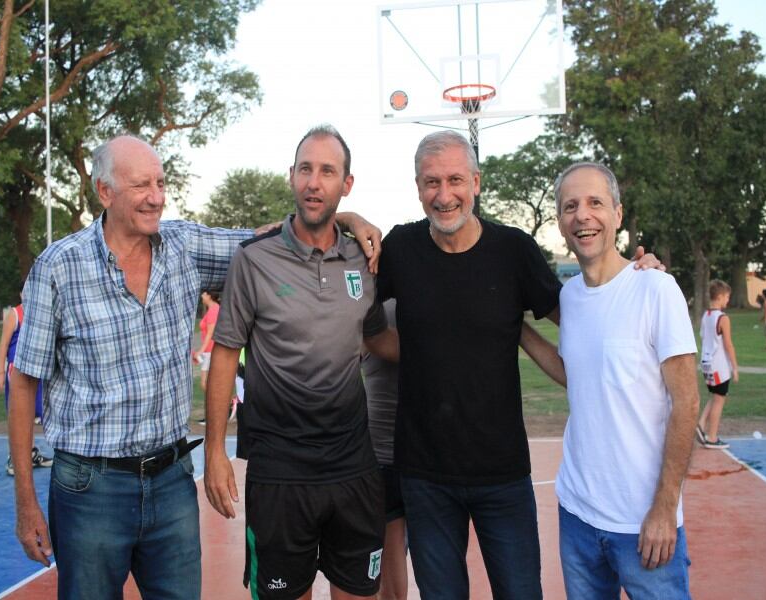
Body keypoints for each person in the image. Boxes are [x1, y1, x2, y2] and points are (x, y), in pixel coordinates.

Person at [8, 134, 383, 600]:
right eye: (141, 185)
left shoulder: (187, 246)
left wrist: (344, 216)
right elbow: (23, 382)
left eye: (160, 182)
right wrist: (25, 500)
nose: (156, 196)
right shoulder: (58, 267)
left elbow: (280, 238)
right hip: (90, 488)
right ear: (105, 192)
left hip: (170, 482)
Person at [375, 131, 661, 599]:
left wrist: (632, 276)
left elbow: (584, 314)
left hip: (502, 474)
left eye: (455, 180)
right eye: (431, 182)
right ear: (417, 186)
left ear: (476, 182)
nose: (444, 195)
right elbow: (360, 307)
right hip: (425, 475)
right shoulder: (401, 248)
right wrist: (348, 217)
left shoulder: (513, 249)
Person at [204, 124, 398, 600]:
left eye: (328, 171)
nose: (314, 182)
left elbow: (377, 339)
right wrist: (214, 450)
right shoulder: (254, 259)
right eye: (305, 169)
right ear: (291, 176)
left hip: (353, 465)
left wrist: (447, 353)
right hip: (279, 472)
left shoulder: (363, 258)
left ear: (345, 184)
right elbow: (226, 352)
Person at [551, 162, 699, 599]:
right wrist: (514, 330)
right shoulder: (569, 296)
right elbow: (578, 375)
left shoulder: (655, 288)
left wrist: (664, 508)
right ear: (561, 222)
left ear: (617, 213)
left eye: (595, 202)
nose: (583, 215)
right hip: (577, 515)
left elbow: (687, 403)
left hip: (643, 523)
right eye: (570, 206)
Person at [361, 299, 408, 600]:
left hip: (381, 455)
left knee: (381, 559)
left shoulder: (373, 308)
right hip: (420, 453)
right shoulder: (414, 302)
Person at [0, 299, 51, 476]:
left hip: (36, 372)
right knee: (18, 416)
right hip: (17, 372)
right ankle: (14, 456)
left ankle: (31, 453)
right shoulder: (15, 314)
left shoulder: (40, 313)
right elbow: (4, 344)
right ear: (21, 293)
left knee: (31, 416)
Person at [697, 280, 739, 449]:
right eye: (727, 297)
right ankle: (712, 438)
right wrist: (735, 367)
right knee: (720, 399)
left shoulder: (706, 315)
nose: (728, 300)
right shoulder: (723, 318)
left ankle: (700, 425)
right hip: (719, 366)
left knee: (715, 396)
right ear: (720, 297)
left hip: (707, 363)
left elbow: (703, 337)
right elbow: (728, 344)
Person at [194, 290, 221, 425]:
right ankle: (214, 414)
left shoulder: (213, 311)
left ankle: (218, 412)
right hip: (209, 351)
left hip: (211, 351)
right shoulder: (213, 309)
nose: (201, 296)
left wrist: (200, 351)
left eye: (203, 294)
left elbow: (210, 334)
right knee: (207, 384)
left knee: (207, 384)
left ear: (209, 295)